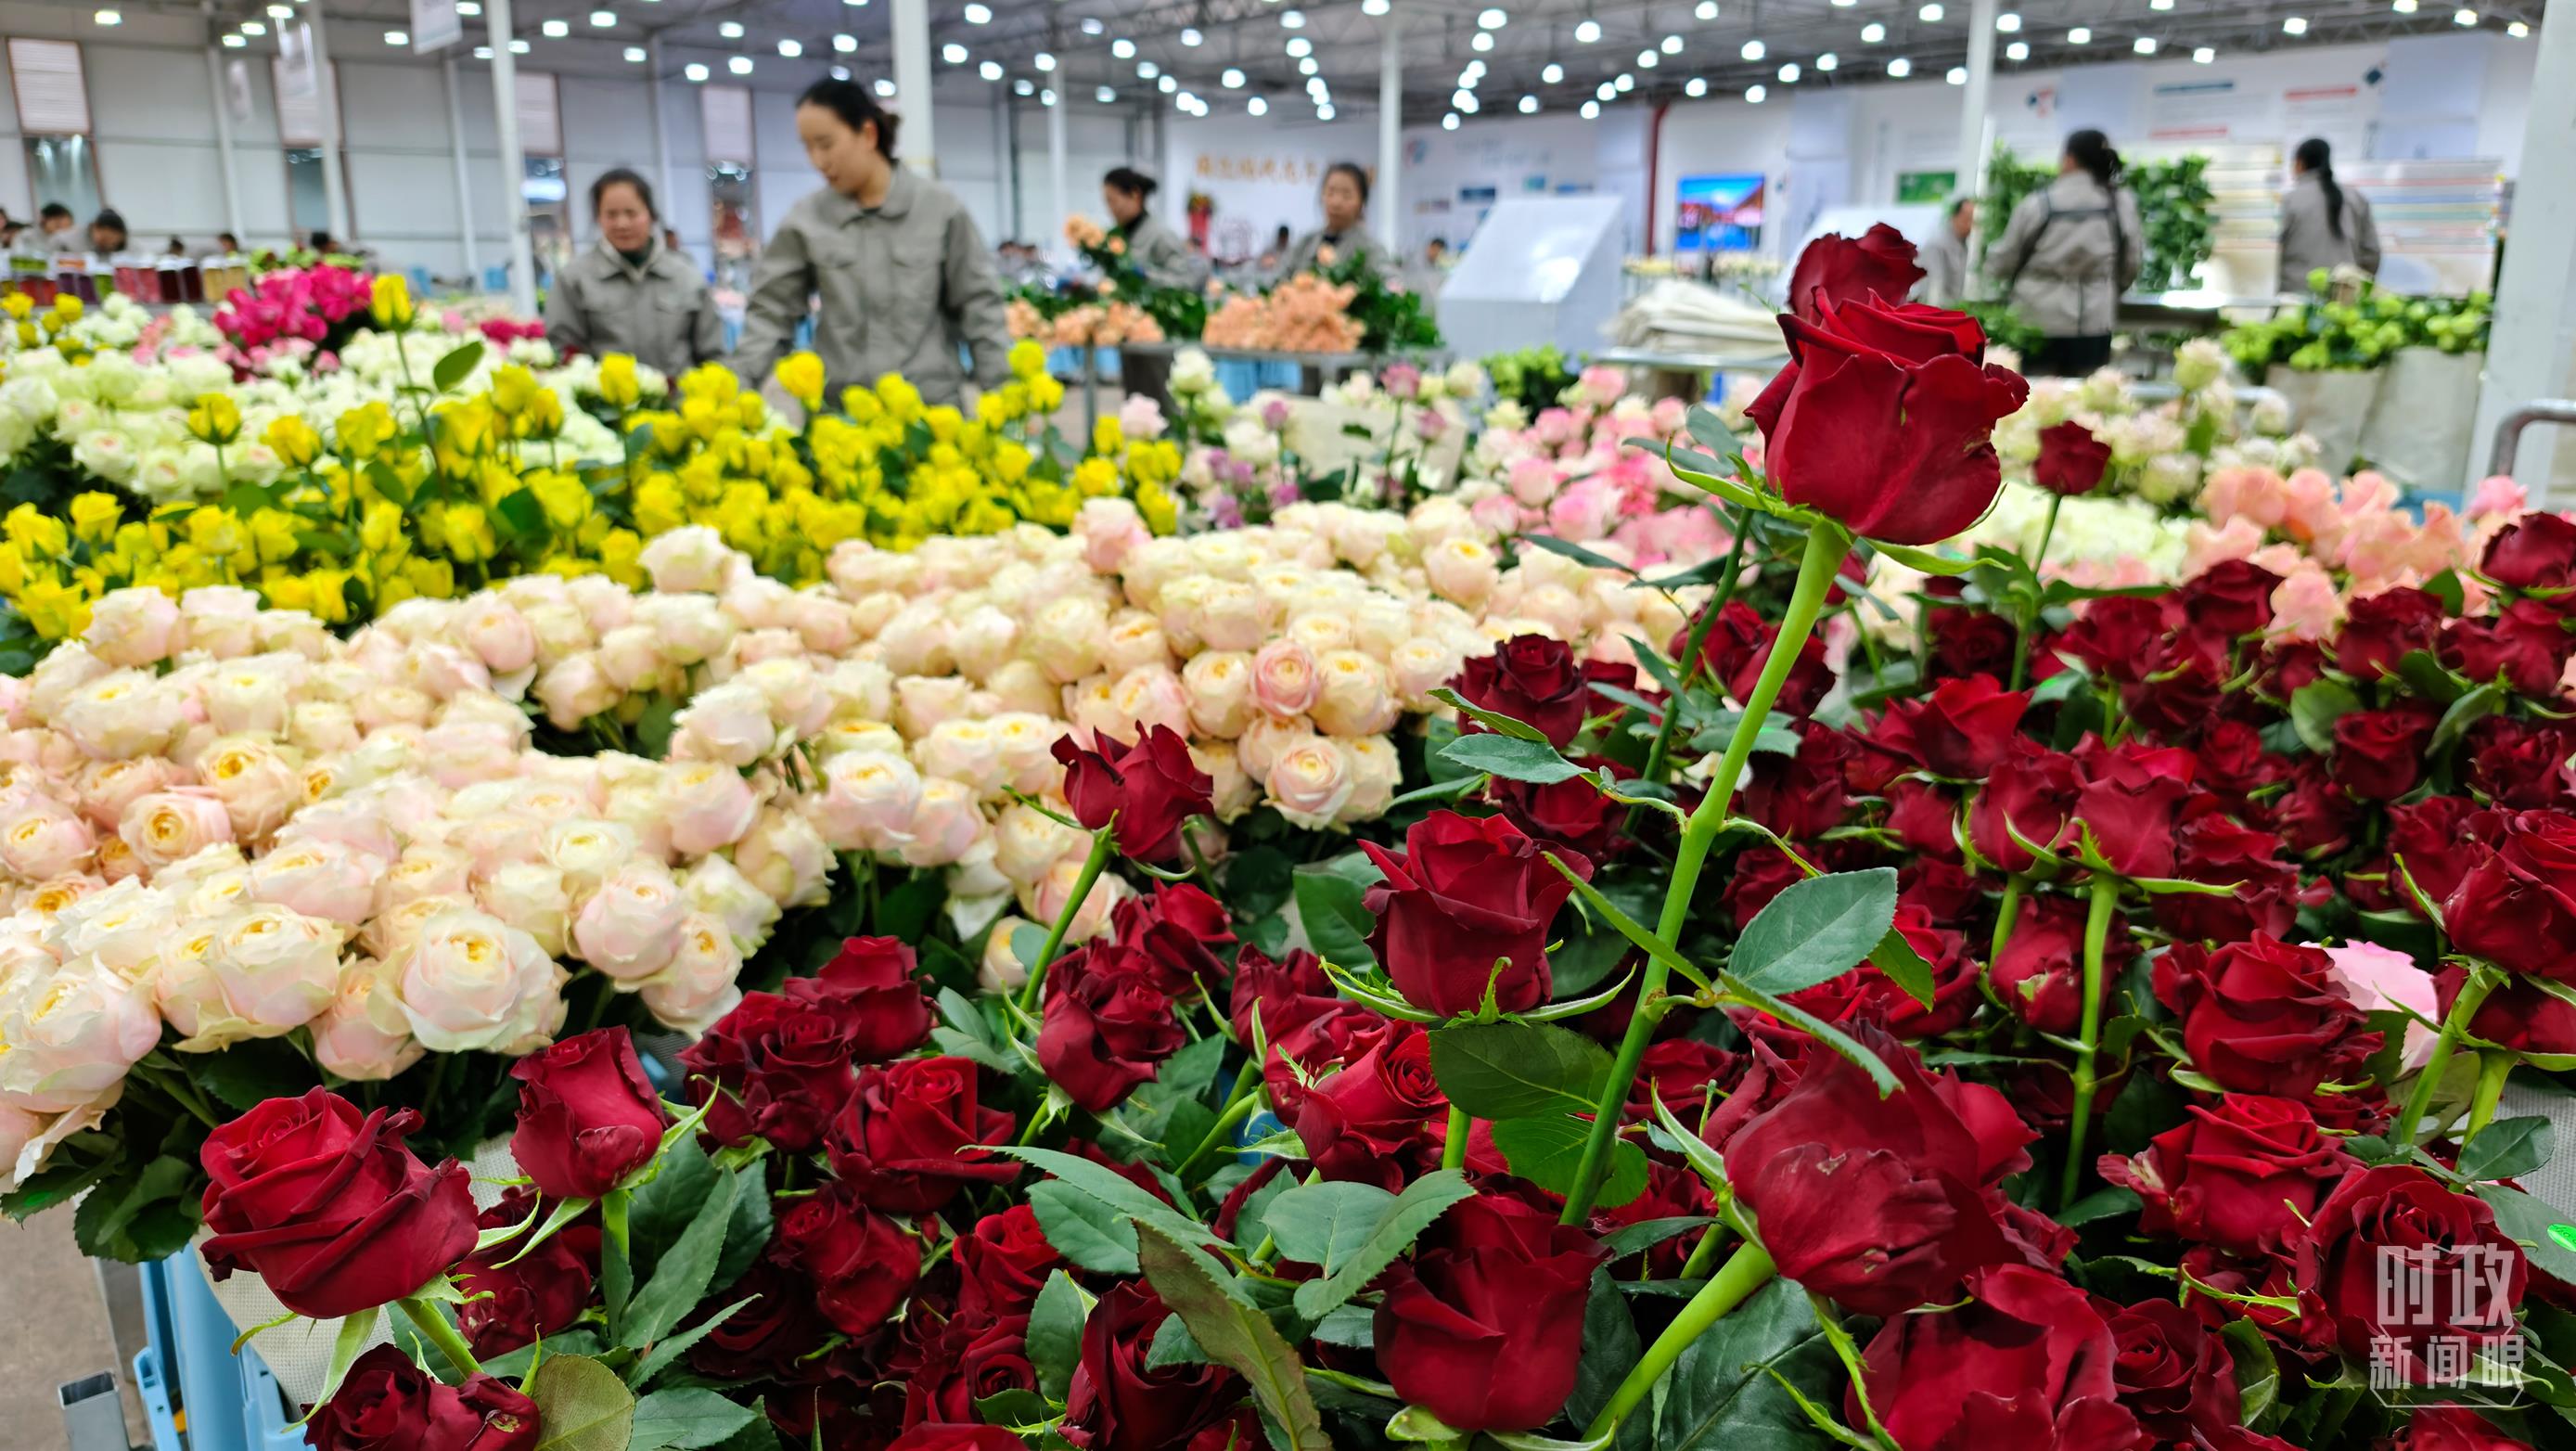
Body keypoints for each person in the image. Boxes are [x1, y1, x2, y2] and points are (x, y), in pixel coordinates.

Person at [731, 76, 1008, 408]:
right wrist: (733, 388)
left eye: (825, 144)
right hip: (844, 419)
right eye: (807, 147)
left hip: (929, 415)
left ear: (868, 134)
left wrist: (1005, 399)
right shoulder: (806, 221)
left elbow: (980, 307)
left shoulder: (939, 210)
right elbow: (769, 313)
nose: (818, 161)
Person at [1986, 129, 2142, 378]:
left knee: (2034, 394)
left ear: (2069, 159)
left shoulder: (2039, 203)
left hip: (2035, 318)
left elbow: (2004, 261)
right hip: (2094, 320)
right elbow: (2131, 262)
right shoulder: (2120, 203)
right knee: (2087, 395)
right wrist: (2108, 288)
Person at [544, 167, 724, 379]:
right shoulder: (574, 279)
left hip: (680, 398)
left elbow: (713, 356)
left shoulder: (686, 277)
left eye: (631, 213)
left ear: (651, 215)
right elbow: (564, 352)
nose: (622, 224)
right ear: (598, 218)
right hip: (604, 399)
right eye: (611, 215)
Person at [2277, 136, 2380, 294]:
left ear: (2299, 163)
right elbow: (2371, 253)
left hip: (2295, 296)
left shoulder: (2289, 200)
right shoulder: (2356, 198)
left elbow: (2273, 251)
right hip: (2344, 295)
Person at [1278, 162, 1394, 279]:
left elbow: (1390, 280)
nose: (1336, 203)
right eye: (1330, 193)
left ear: (1361, 202)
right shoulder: (1306, 242)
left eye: (1347, 196)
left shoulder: (1369, 248)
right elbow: (1277, 278)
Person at [1917, 196, 1976, 307]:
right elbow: (1934, 289)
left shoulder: (1963, 245)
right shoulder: (1937, 244)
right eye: (1967, 219)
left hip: (1951, 309)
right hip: (1934, 310)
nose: (1971, 225)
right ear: (1955, 217)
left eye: (1972, 220)